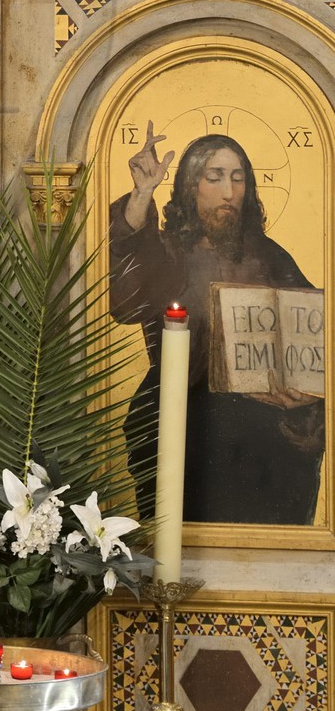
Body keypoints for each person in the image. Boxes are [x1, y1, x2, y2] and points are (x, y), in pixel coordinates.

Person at [109, 123, 324, 526]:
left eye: (239, 178)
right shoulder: (167, 250)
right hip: (183, 420)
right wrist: (141, 194)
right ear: (191, 186)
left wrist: (306, 396)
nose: (230, 192)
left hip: (264, 435)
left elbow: (312, 333)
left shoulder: (267, 255)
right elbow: (125, 302)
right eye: (216, 177)